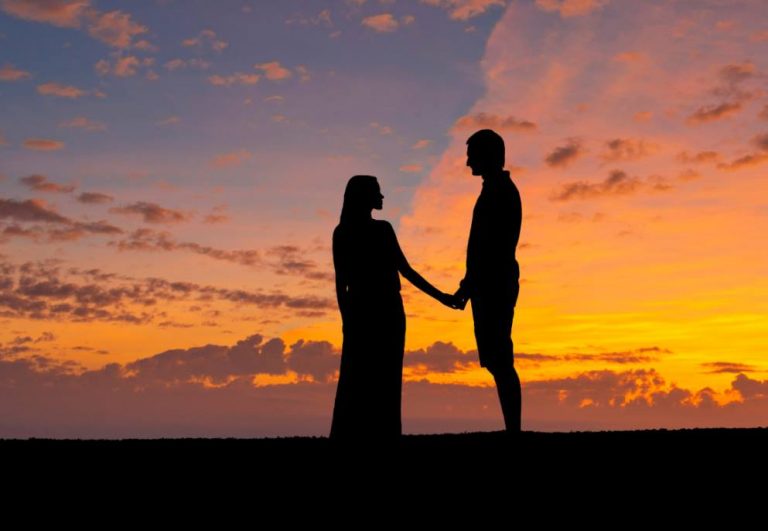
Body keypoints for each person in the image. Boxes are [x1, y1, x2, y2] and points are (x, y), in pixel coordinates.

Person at [329, 175, 458, 441]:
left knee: (375, 375)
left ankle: (373, 435)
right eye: (377, 192)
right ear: (365, 196)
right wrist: (347, 321)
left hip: (375, 310)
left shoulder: (355, 231)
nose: (382, 197)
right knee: (371, 377)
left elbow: (344, 284)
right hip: (377, 310)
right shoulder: (370, 231)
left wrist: (442, 297)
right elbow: (344, 281)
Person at [453, 129, 523, 433]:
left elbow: (490, 246)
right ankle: (513, 429)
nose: (468, 162)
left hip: (494, 283)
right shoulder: (494, 190)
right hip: (488, 282)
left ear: (488, 156)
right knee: (497, 360)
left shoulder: (500, 192)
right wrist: (469, 285)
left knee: (500, 359)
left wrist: (470, 284)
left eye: (472, 155)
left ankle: (514, 430)